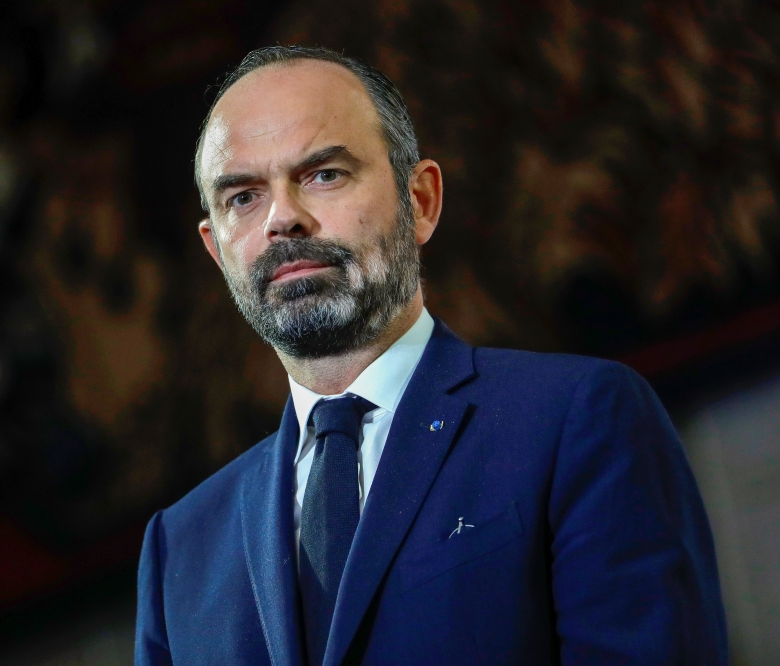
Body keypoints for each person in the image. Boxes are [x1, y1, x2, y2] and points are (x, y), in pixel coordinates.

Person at [135, 45, 728, 665]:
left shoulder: (580, 419)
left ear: (419, 201)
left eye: (324, 174)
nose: (283, 217)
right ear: (216, 250)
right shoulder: (180, 549)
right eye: (243, 197)